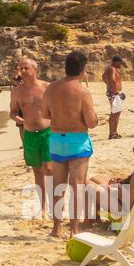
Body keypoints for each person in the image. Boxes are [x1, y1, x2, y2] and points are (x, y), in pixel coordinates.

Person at [44, 51, 98, 237]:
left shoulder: (51, 89)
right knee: (77, 186)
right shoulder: (82, 91)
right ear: (83, 70)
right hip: (77, 140)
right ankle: (74, 229)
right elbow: (90, 121)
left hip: (57, 139)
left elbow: (45, 114)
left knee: (58, 186)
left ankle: (56, 228)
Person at [9, 57, 52, 222]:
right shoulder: (16, 91)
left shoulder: (47, 87)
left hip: (47, 132)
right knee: (37, 170)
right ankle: (42, 206)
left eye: (26, 68)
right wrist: (17, 119)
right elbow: (12, 112)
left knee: (49, 169)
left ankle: (54, 202)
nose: (22, 71)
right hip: (29, 134)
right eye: (21, 68)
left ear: (35, 69)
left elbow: (58, 107)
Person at [87, 136, 134, 220]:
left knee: (86, 183)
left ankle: (89, 221)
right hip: (125, 204)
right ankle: (95, 219)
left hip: (123, 211)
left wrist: (113, 189)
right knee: (94, 178)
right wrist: (122, 181)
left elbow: (129, 202)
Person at [102, 55, 125, 139]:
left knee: (117, 112)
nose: (121, 65)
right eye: (120, 63)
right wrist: (115, 90)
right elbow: (112, 79)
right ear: (115, 62)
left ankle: (114, 132)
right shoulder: (112, 68)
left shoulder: (110, 68)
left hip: (114, 92)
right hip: (114, 93)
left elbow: (103, 77)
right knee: (114, 113)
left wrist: (108, 86)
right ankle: (112, 133)